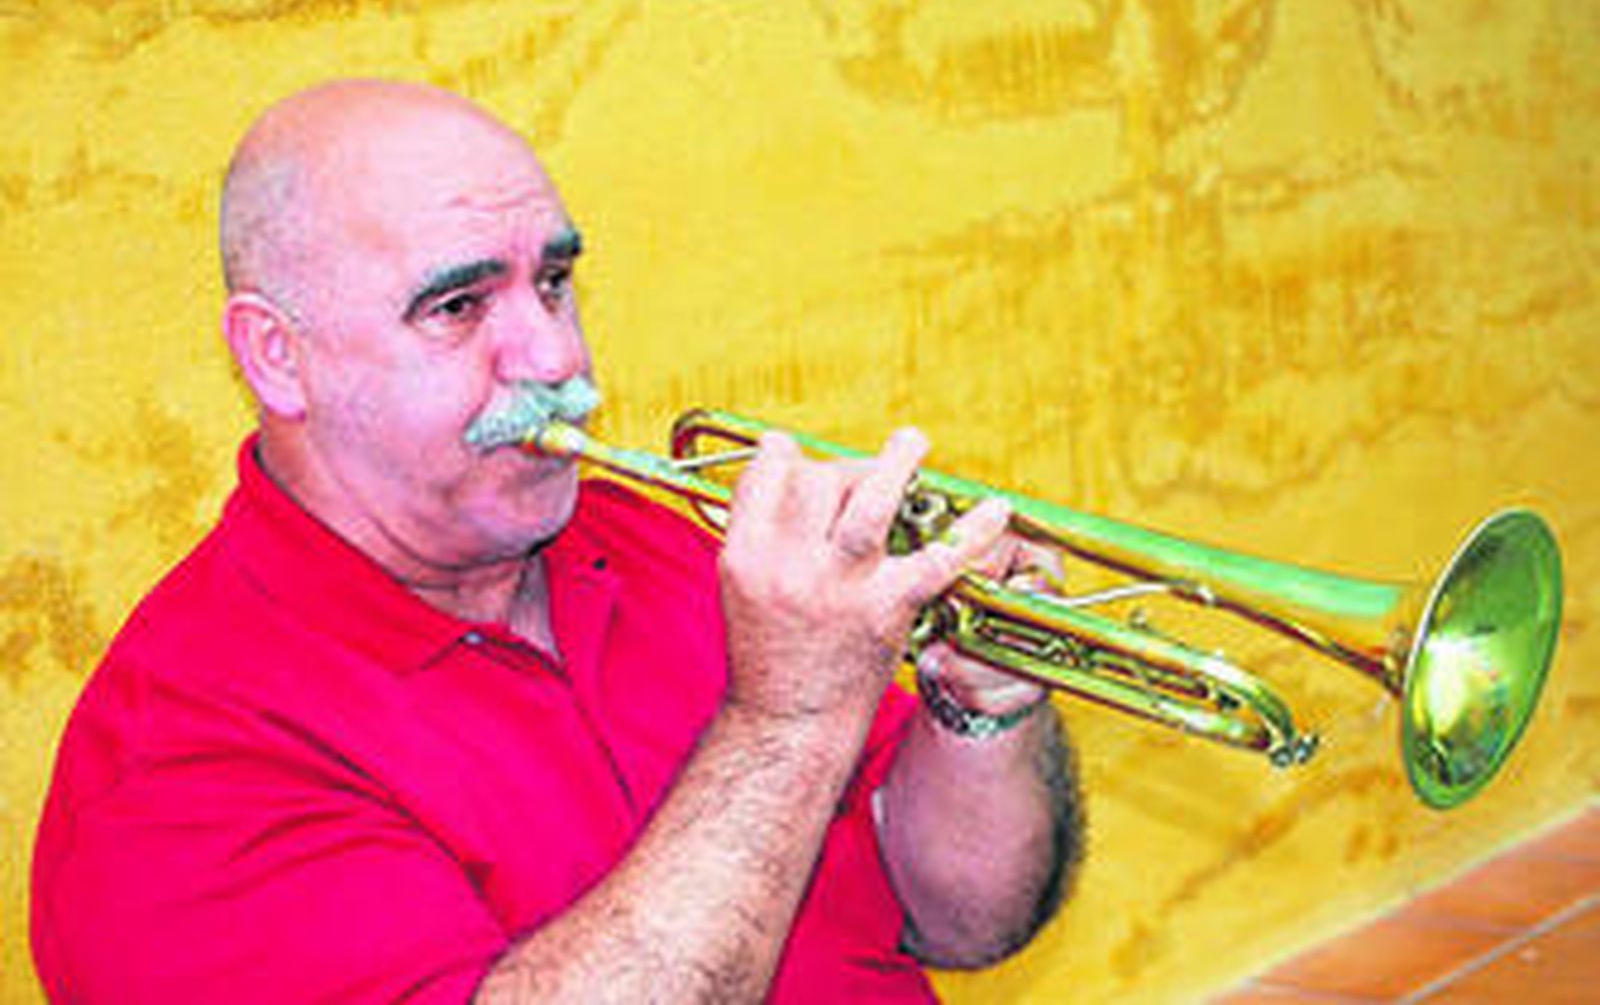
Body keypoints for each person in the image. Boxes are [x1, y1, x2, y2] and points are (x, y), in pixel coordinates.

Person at [32, 79, 1082, 1004]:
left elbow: (959, 918)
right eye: (458, 305)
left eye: (553, 282)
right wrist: (791, 716)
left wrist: (979, 704)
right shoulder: (177, 769)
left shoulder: (645, 540)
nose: (554, 358)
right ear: (276, 357)